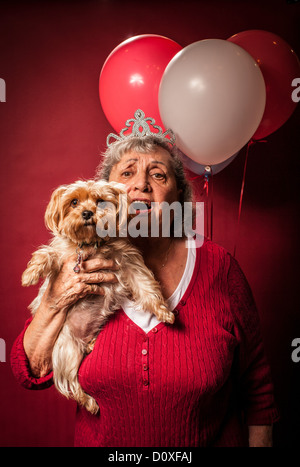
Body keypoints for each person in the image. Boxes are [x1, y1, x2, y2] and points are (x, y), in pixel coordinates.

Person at [11, 110, 279, 447]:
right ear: (104, 194)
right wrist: (55, 300)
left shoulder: (219, 266)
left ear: (178, 197)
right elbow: (29, 372)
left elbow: (258, 390)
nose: (141, 184)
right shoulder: (73, 264)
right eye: (127, 173)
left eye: (158, 174)